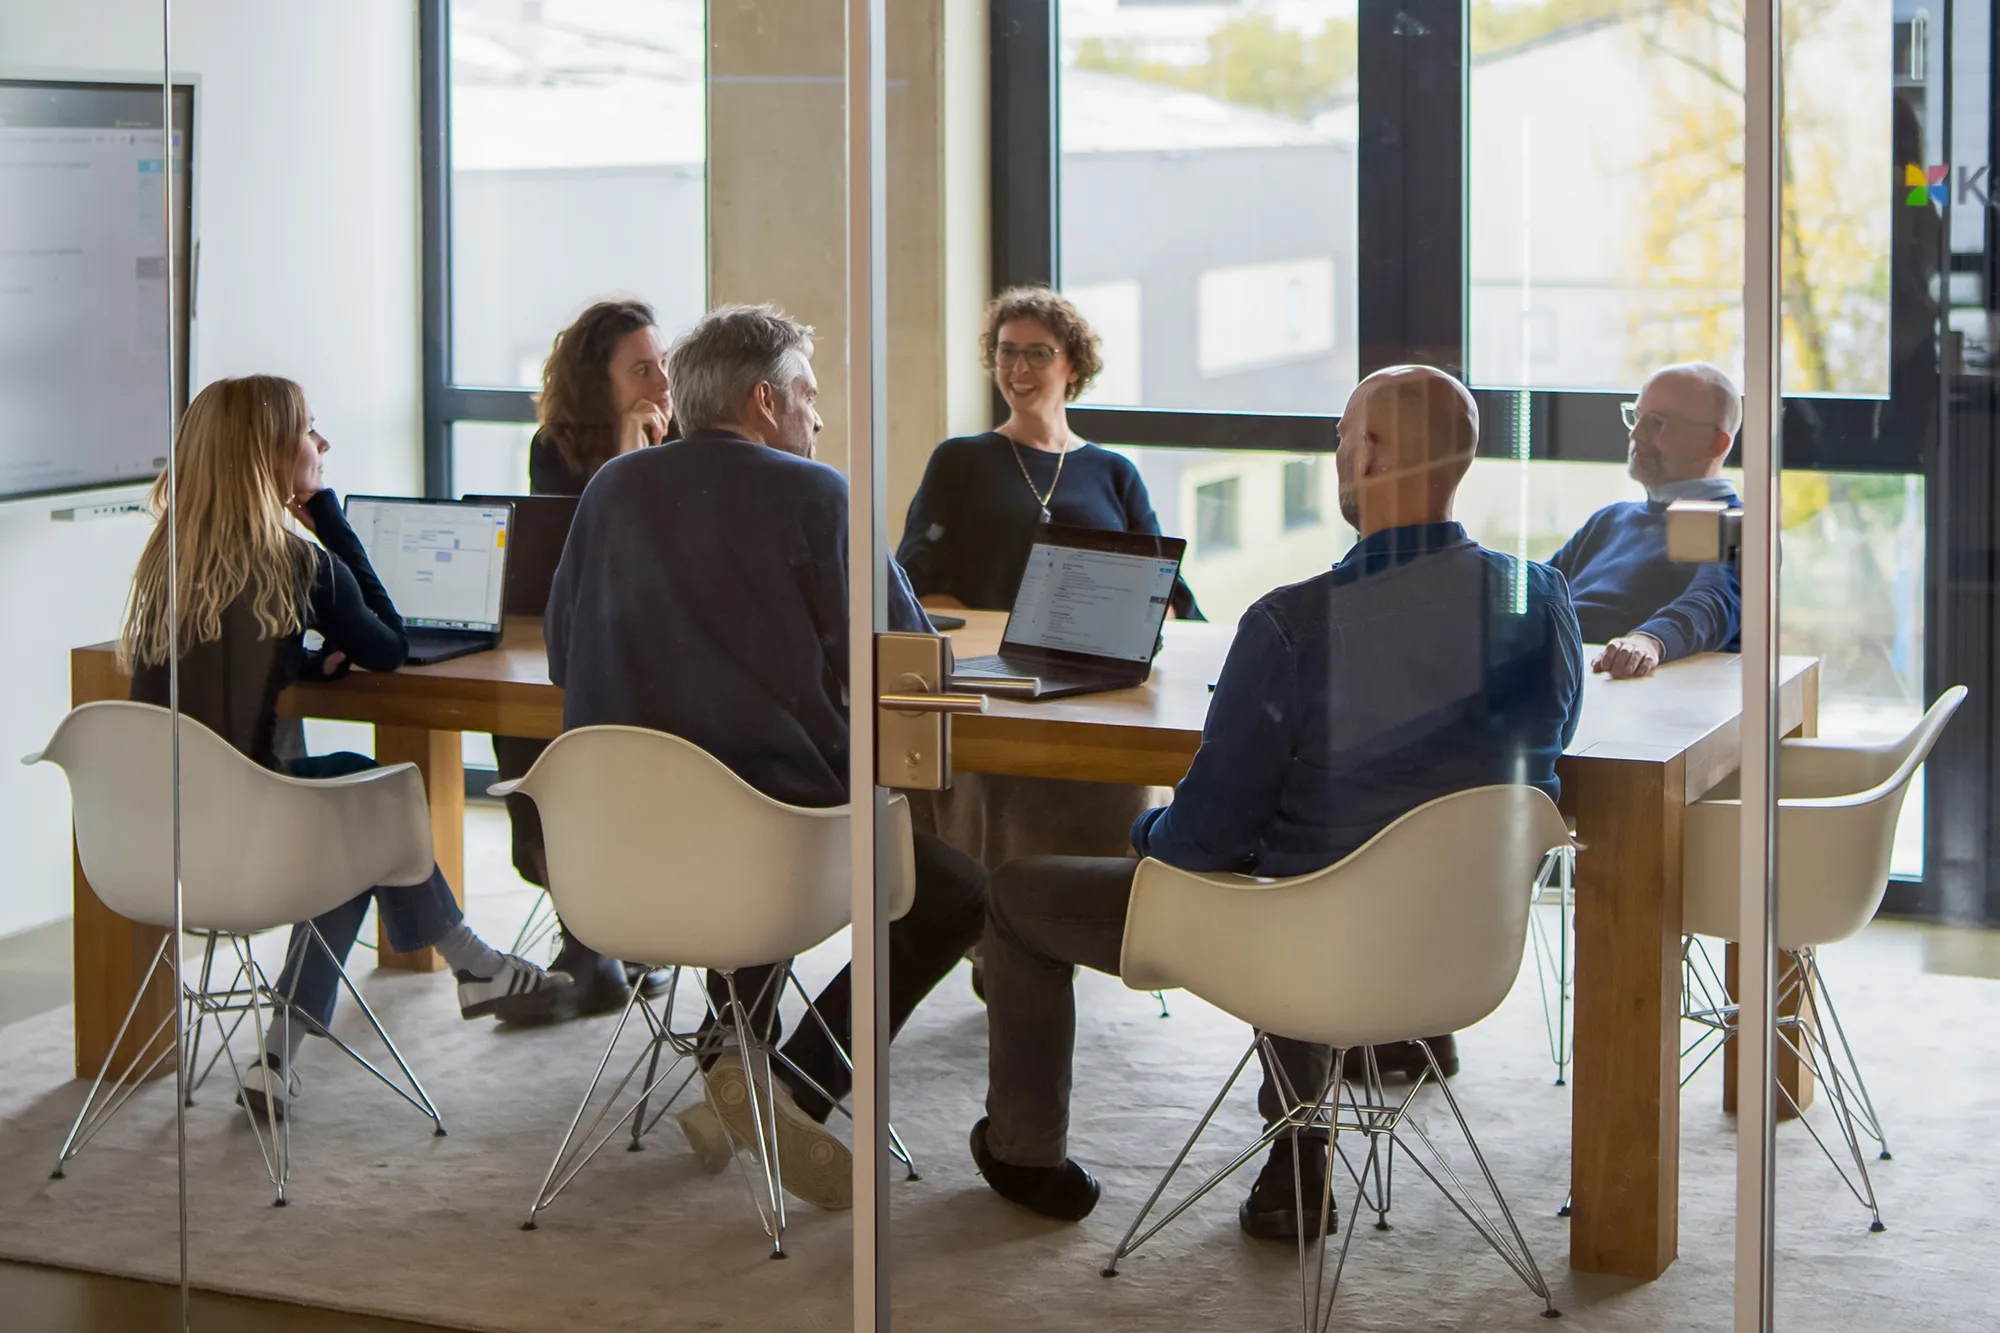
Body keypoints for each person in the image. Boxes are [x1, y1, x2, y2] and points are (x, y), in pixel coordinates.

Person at [969, 366, 1583, 1238]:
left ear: (1368, 454)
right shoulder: (1544, 601)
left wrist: (1145, 827)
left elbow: (1201, 842)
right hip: (1465, 945)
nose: (1337, 451)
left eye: (1342, 434)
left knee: (1024, 894)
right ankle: (1297, 1148)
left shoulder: (1292, 624)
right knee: (1312, 854)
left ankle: (1028, 1155)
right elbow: (1534, 770)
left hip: (1303, 950)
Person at [543, 304, 987, 1212]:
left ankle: (737, 1056)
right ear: (763, 399)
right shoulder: (820, 497)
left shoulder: (609, 492)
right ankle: (790, 1080)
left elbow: (561, 652)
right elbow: (901, 661)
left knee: (743, 790)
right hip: (767, 853)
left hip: (619, 858)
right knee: (954, 889)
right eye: (808, 396)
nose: (817, 419)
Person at [120, 375, 566, 1120]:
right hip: (248, 845)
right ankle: (459, 963)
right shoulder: (300, 562)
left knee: (353, 799)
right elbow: (388, 644)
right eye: (309, 432)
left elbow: (209, 663)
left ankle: (296, 1045)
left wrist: (293, 660)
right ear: (270, 454)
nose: (322, 445)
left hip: (149, 843)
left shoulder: (165, 566)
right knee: (368, 806)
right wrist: (325, 511)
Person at [894, 285, 1200, 884]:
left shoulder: (1114, 472)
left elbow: (1166, 595)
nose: (1019, 368)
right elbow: (919, 586)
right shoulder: (960, 460)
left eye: (1038, 353)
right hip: (997, 685)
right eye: (1007, 352)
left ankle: (1094, 916)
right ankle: (997, 939)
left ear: (1073, 365)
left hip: (1098, 689)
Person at [492, 299, 676, 1016]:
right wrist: (626, 456)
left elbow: (661, 561)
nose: (660, 382)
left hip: (660, 644)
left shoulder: (687, 438)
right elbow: (589, 554)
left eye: (663, 364)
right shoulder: (556, 446)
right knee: (522, 726)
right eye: (640, 370)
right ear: (599, 382)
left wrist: (644, 454)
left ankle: (619, 929)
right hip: (581, 629)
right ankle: (586, 926)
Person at [1547, 362, 1743, 680]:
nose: (1635, 434)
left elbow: (1713, 601)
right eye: (1637, 417)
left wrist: (1649, 641)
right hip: (1566, 676)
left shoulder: (1730, 523)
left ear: (1716, 444)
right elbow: (1539, 591)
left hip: (1615, 684)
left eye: (1658, 423)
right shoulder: (1609, 520)